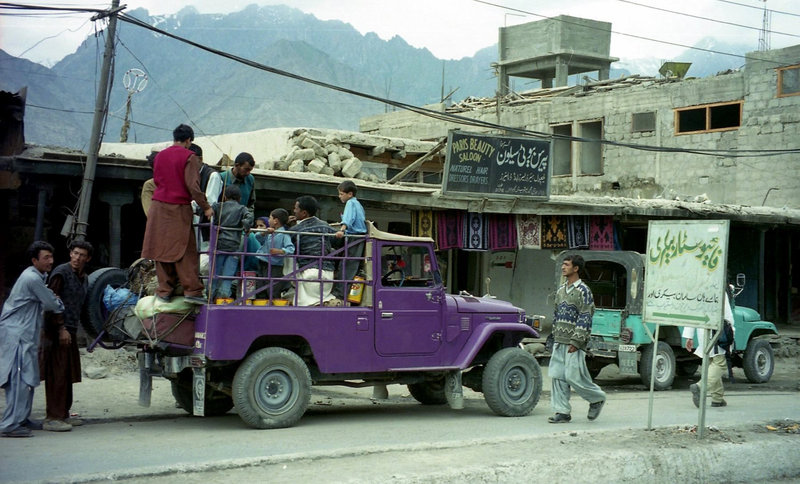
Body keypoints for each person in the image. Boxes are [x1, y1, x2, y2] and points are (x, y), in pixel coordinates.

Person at [141, 124, 214, 305]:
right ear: (189, 140)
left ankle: (164, 290)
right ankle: (193, 290)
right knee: (185, 250)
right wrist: (206, 207)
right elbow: (193, 187)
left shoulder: (160, 156)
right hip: (178, 208)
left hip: (158, 207)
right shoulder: (190, 157)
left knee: (161, 249)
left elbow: (157, 181)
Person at [0, 241, 64, 438]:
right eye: (46, 258)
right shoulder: (31, 278)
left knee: (28, 377)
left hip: (25, 334)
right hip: (16, 335)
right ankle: (9, 424)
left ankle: (22, 418)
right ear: (34, 260)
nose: (50, 261)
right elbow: (53, 304)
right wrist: (56, 300)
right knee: (19, 380)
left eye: (51, 257)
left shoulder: (38, 276)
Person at [38, 240, 93, 432]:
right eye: (75, 253)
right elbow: (52, 303)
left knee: (67, 374)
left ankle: (64, 414)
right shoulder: (60, 273)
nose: (77, 258)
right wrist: (60, 328)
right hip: (56, 331)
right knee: (57, 374)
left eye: (82, 255)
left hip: (70, 330)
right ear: (70, 253)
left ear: (88, 259)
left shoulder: (83, 278)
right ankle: (52, 417)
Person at [548, 254, 606, 423]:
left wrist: (576, 341)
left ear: (576, 268)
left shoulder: (584, 291)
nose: (563, 267)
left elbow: (585, 317)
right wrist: (553, 338)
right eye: (563, 264)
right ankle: (562, 412)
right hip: (559, 341)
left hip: (574, 343)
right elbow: (556, 315)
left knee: (574, 376)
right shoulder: (560, 291)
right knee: (558, 377)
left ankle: (596, 398)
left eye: (566, 265)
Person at [683, 292, 735, 408]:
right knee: (720, 364)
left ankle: (717, 398)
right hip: (717, 333)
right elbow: (727, 315)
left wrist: (689, 336)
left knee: (712, 364)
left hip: (703, 333)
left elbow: (692, 313)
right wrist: (731, 331)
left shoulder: (696, 290)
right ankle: (700, 387)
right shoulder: (718, 288)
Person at [286, 196, 339, 307]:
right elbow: (338, 241)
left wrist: (286, 225)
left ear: (304, 213)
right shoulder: (325, 225)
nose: (294, 211)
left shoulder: (296, 230)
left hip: (308, 273)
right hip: (329, 275)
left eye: (296, 208)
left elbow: (285, 245)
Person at [210, 184, 253, 300]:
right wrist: (245, 225)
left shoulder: (218, 206)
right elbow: (249, 217)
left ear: (224, 197)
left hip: (219, 243)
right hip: (234, 245)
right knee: (228, 274)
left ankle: (210, 296)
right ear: (239, 198)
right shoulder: (242, 208)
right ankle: (223, 298)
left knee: (214, 273)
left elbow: (206, 211)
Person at [332, 180, 367, 300]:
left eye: (341, 194)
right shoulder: (358, 204)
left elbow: (348, 218)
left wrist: (342, 230)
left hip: (354, 236)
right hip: (356, 236)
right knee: (349, 264)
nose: (339, 196)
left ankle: (341, 294)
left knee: (347, 265)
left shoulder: (351, 203)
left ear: (350, 194)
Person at [189, 143, 223, 251]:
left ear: (200, 159)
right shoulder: (189, 174)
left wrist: (187, 204)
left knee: (203, 256)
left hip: (204, 223)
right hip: (190, 221)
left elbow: (210, 201)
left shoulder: (212, 176)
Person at [256, 208, 295, 299]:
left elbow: (291, 249)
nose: (269, 220)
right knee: (260, 287)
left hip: (275, 266)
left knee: (273, 289)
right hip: (263, 263)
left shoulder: (284, 234)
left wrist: (280, 251)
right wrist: (264, 232)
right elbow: (257, 237)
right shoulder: (270, 233)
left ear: (275, 221)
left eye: (270, 218)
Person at [220, 152, 256, 216]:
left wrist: (248, 217)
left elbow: (251, 204)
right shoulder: (221, 178)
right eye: (246, 169)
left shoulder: (250, 179)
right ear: (237, 165)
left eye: (250, 170)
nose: (248, 173)